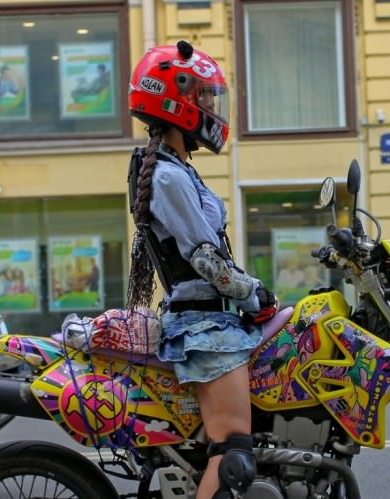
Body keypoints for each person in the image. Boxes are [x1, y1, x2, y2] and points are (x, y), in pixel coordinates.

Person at [125, 41, 277, 498]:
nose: (212, 106)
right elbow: (205, 258)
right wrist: (254, 292)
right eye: (205, 96)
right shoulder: (169, 176)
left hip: (213, 319)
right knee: (232, 451)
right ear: (177, 99)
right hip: (205, 326)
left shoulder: (176, 169)